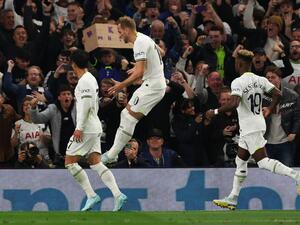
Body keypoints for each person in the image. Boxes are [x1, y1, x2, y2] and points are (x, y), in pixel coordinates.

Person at [206, 49, 300, 210]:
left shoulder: (238, 82)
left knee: (263, 162)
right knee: (240, 161)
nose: (235, 64)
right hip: (253, 125)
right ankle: (233, 198)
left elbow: (234, 103)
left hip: (250, 127)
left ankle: (296, 175)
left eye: (236, 62)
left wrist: (214, 111)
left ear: (240, 63)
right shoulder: (260, 80)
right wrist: (269, 109)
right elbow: (278, 93)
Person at [64, 49, 127, 211]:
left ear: (74, 64)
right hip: (94, 126)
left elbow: (85, 106)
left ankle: (91, 195)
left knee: (70, 163)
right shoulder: (90, 78)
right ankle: (118, 195)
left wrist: (79, 128)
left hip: (86, 128)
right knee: (95, 163)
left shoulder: (84, 81)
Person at [101, 16, 166, 164]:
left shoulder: (139, 43)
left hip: (153, 86)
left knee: (128, 117)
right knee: (126, 115)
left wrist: (121, 85)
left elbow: (140, 72)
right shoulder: (144, 38)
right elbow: (161, 52)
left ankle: (112, 154)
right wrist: (141, 66)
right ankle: (113, 154)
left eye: (120, 31)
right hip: (152, 84)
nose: (119, 35)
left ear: (126, 29)